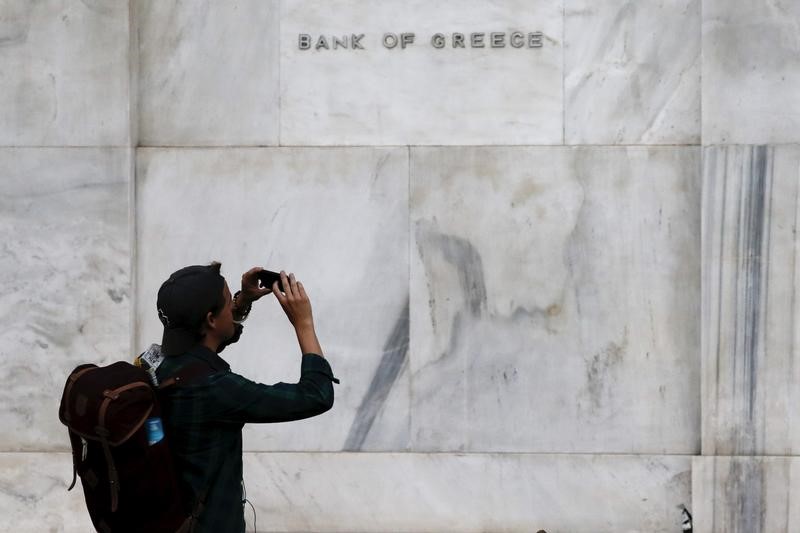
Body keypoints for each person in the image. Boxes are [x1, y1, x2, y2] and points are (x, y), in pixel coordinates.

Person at [152, 262, 339, 532]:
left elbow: (206, 344)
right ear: (210, 319)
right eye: (229, 302)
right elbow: (316, 395)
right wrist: (304, 324)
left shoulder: (160, 363)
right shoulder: (217, 389)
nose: (233, 306)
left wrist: (243, 301)